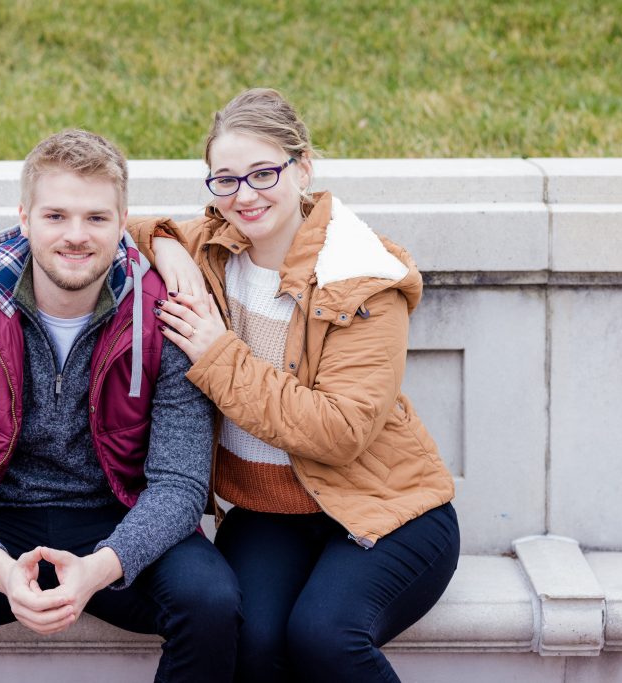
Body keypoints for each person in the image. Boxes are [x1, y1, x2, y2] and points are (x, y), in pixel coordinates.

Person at [0, 129, 240, 683]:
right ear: (24, 217)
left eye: (96, 218)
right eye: (56, 216)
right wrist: (3, 574)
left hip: (120, 515)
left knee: (212, 603)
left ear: (123, 221)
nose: (76, 236)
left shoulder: (164, 318)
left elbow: (179, 489)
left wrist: (95, 572)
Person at [129, 88, 460, 683]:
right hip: (268, 513)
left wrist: (217, 354)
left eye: (263, 173)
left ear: (303, 166)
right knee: (247, 644)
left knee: (325, 638)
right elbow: (114, 225)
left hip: (385, 510)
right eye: (224, 180)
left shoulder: (361, 277)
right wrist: (167, 248)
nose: (244, 196)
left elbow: (339, 432)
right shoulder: (214, 247)